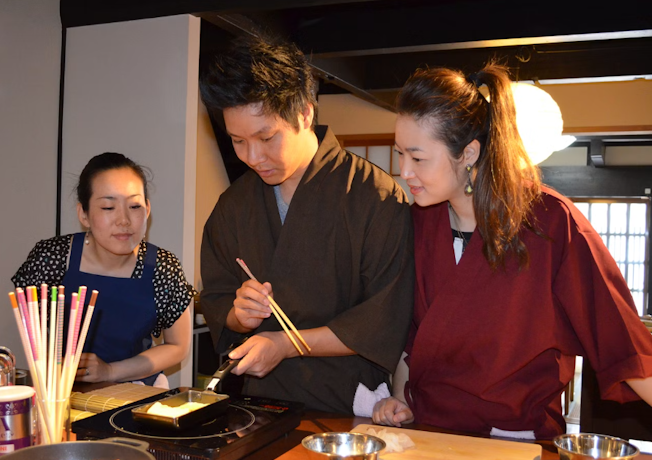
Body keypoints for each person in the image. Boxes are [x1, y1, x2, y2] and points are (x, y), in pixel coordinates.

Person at [372, 62, 652, 439]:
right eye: (400, 153)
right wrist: (400, 396)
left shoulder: (550, 222)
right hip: (428, 435)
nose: (404, 171)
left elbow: (622, 341)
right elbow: (415, 338)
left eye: (418, 158)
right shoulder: (419, 223)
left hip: (514, 444)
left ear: (469, 153)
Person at [198, 37, 414, 415]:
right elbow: (217, 300)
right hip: (258, 404)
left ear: (305, 114)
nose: (252, 157)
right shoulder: (234, 206)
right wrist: (239, 313)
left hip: (347, 403)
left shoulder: (375, 197)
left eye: (266, 138)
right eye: (237, 141)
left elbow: (383, 317)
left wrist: (286, 344)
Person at [12, 152, 194, 386]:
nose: (124, 220)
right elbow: (36, 338)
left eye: (135, 206)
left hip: (137, 389)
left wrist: (109, 372)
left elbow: (177, 346)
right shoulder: (53, 258)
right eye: (108, 207)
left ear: (147, 209)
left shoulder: (162, 267)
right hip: (64, 393)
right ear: (84, 214)